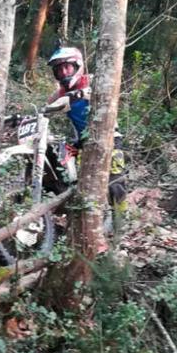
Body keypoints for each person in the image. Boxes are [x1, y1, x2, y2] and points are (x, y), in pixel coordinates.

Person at [46, 47, 127, 226]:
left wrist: (83, 93)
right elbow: (46, 108)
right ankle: (74, 218)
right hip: (82, 141)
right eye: (59, 69)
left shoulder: (91, 81)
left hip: (109, 136)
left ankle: (120, 225)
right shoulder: (61, 93)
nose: (63, 72)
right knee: (65, 173)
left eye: (66, 67)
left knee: (115, 183)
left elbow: (110, 89)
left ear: (77, 66)